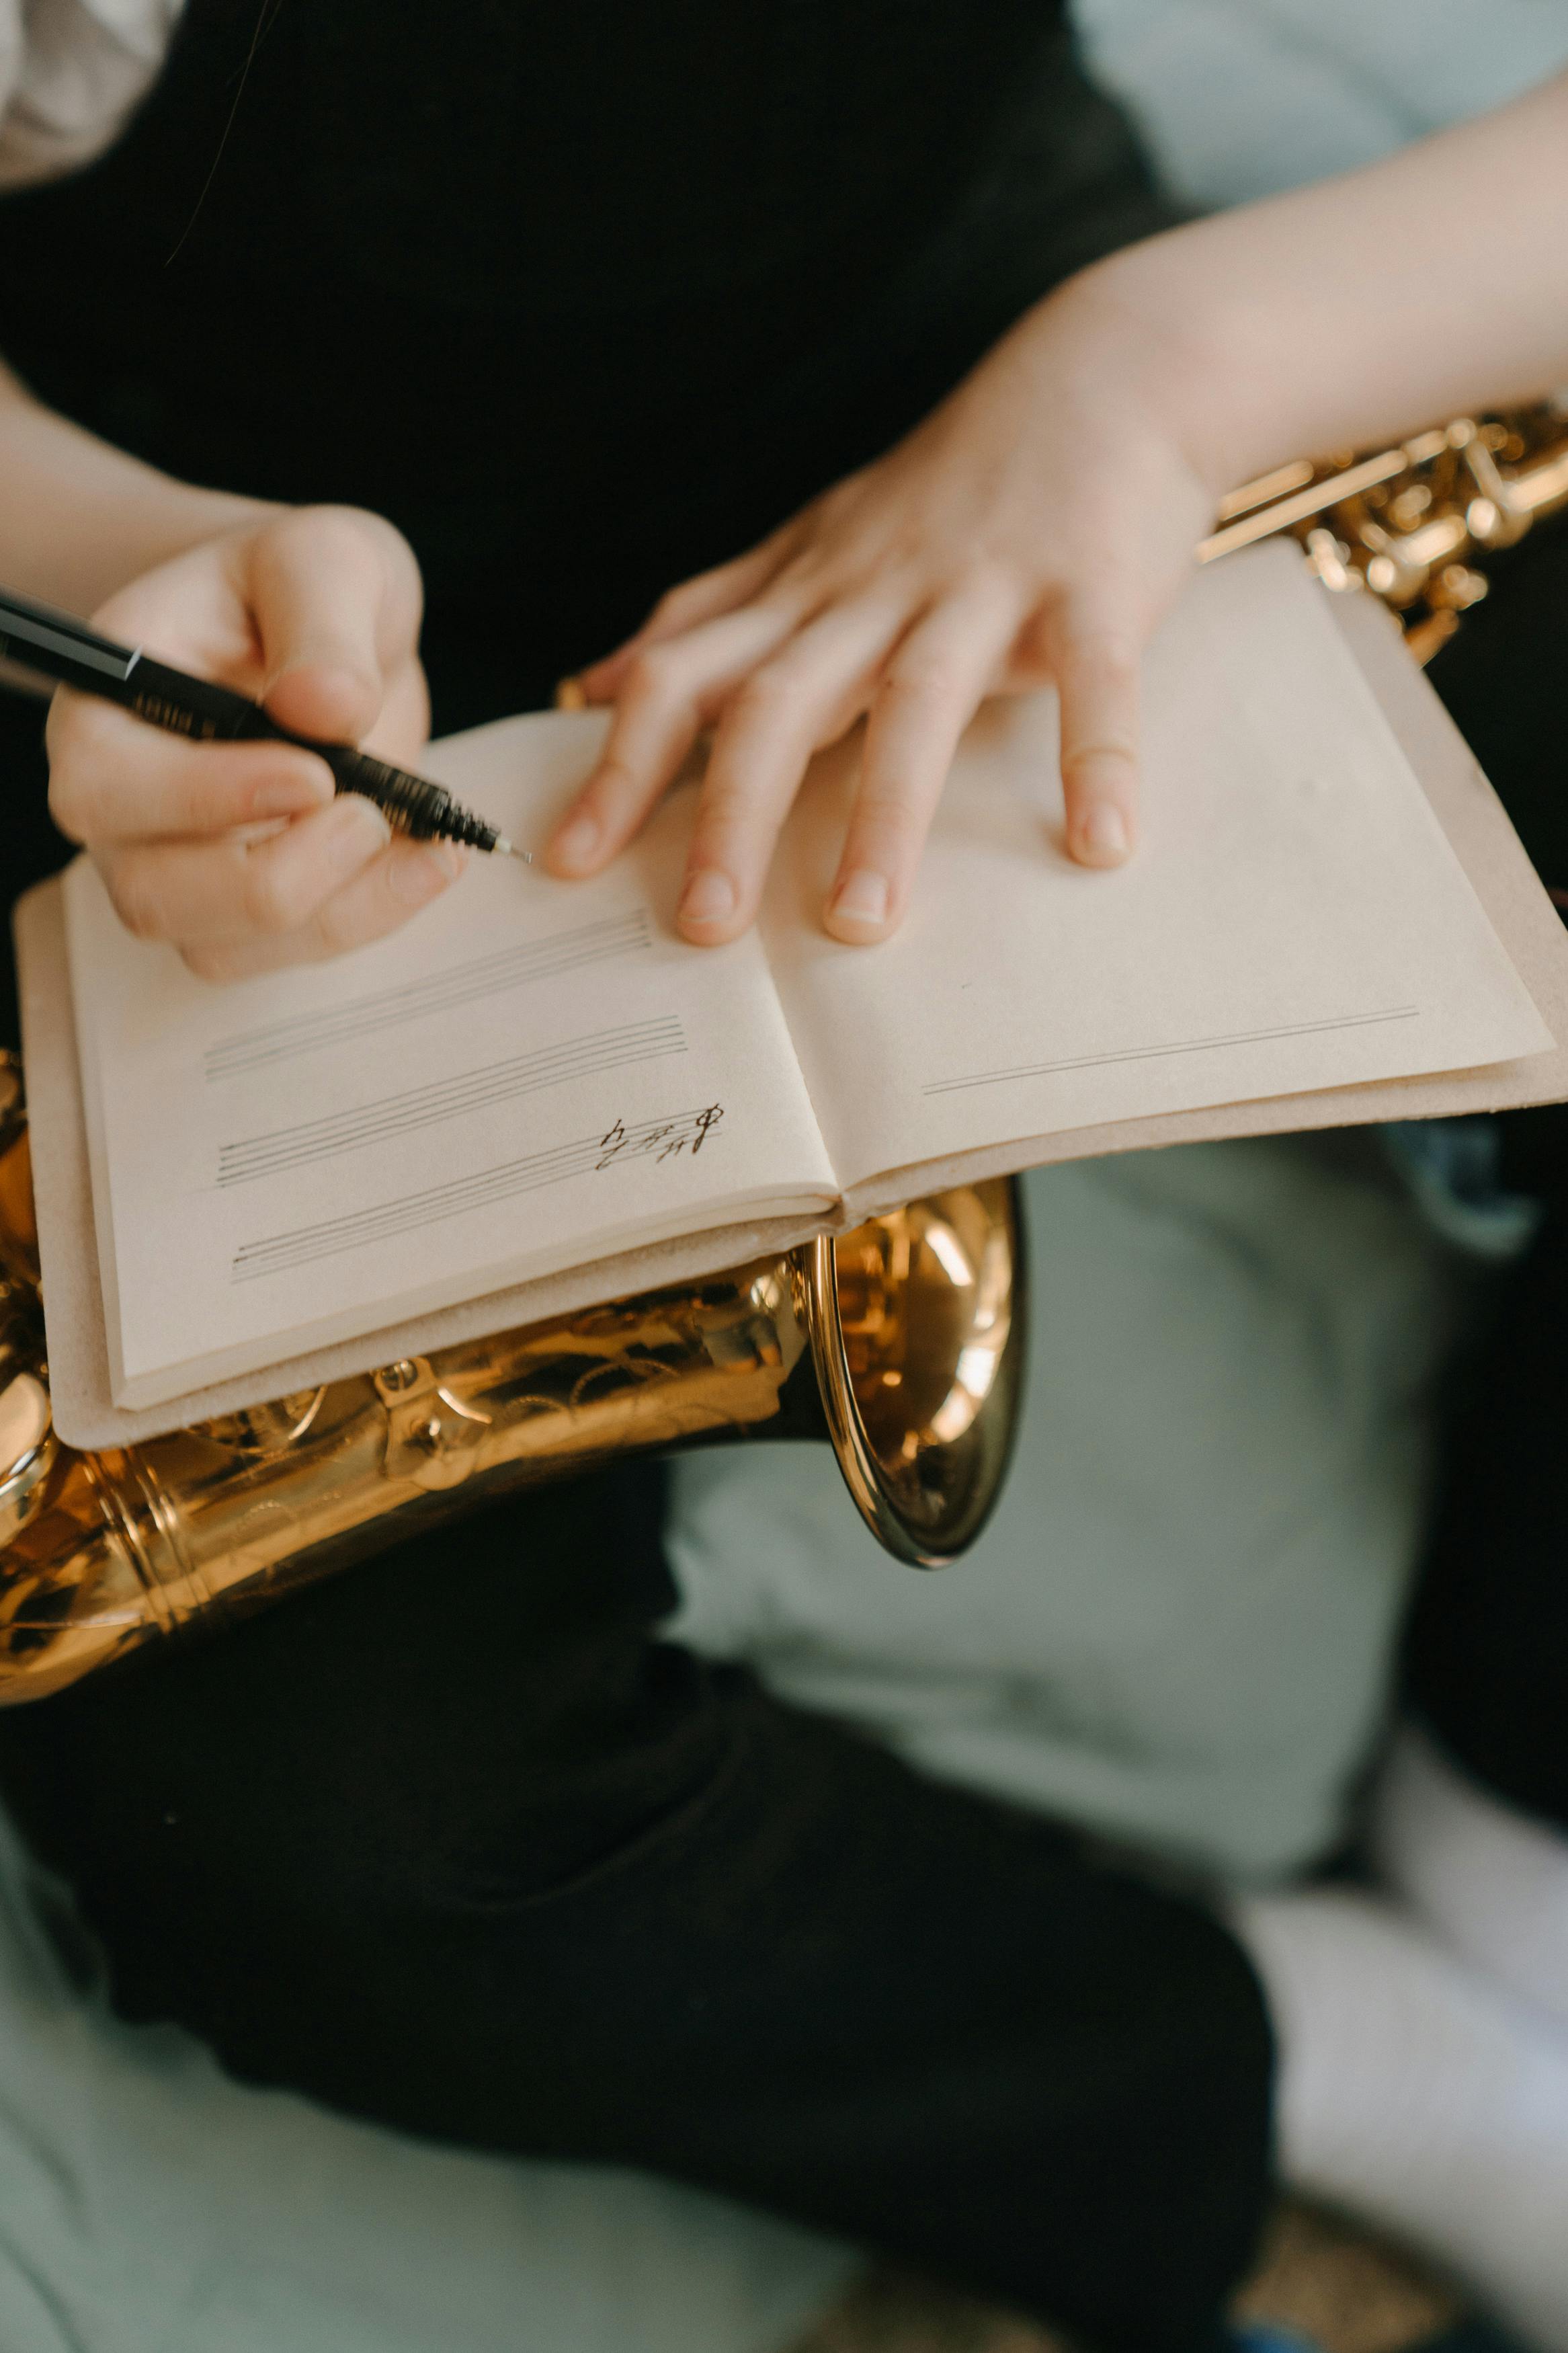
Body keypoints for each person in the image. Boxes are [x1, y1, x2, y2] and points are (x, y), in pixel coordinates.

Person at [0, 6, 1565, 2346]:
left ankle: (1520, 1813)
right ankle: (1339, 2065)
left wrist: (1153, 367)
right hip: (229, 645)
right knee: (320, 1820)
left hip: (982, 359)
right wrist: (153, 586)